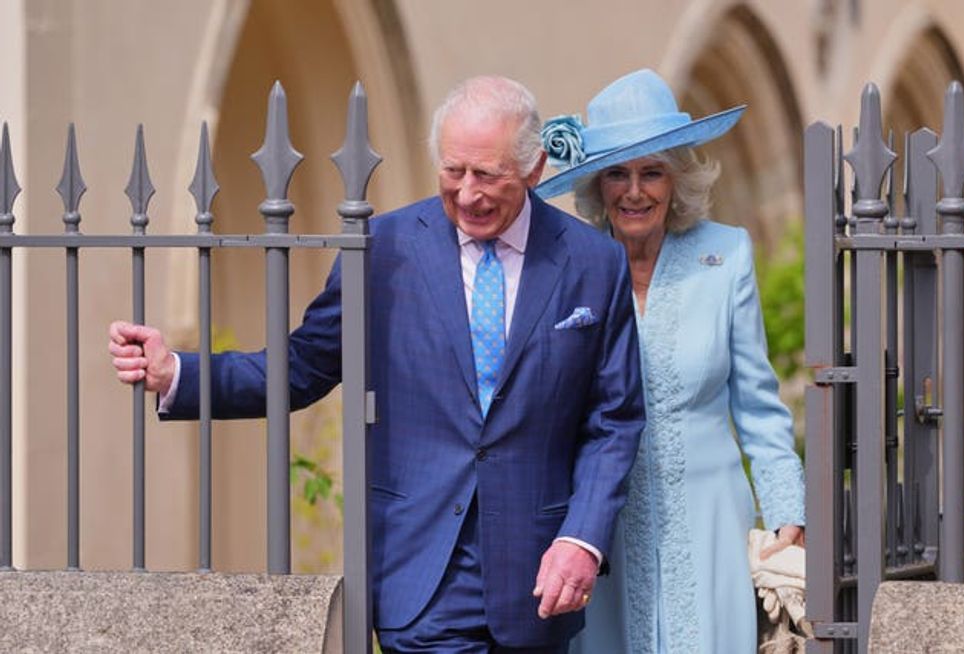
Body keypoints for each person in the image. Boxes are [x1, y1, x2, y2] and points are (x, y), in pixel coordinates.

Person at [108, 76, 644, 653]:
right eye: (453, 171)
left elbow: (614, 419)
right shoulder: (382, 248)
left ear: (535, 169)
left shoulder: (594, 263)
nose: (467, 194)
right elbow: (301, 367)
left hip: (538, 577)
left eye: (488, 175)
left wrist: (582, 539)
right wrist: (179, 376)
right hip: (420, 573)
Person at [535, 69, 806, 654]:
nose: (635, 191)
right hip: (603, 523)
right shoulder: (573, 266)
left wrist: (787, 509)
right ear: (597, 185)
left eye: (651, 172)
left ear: (677, 178)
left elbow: (758, 404)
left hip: (711, 517)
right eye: (618, 173)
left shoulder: (725, 254)